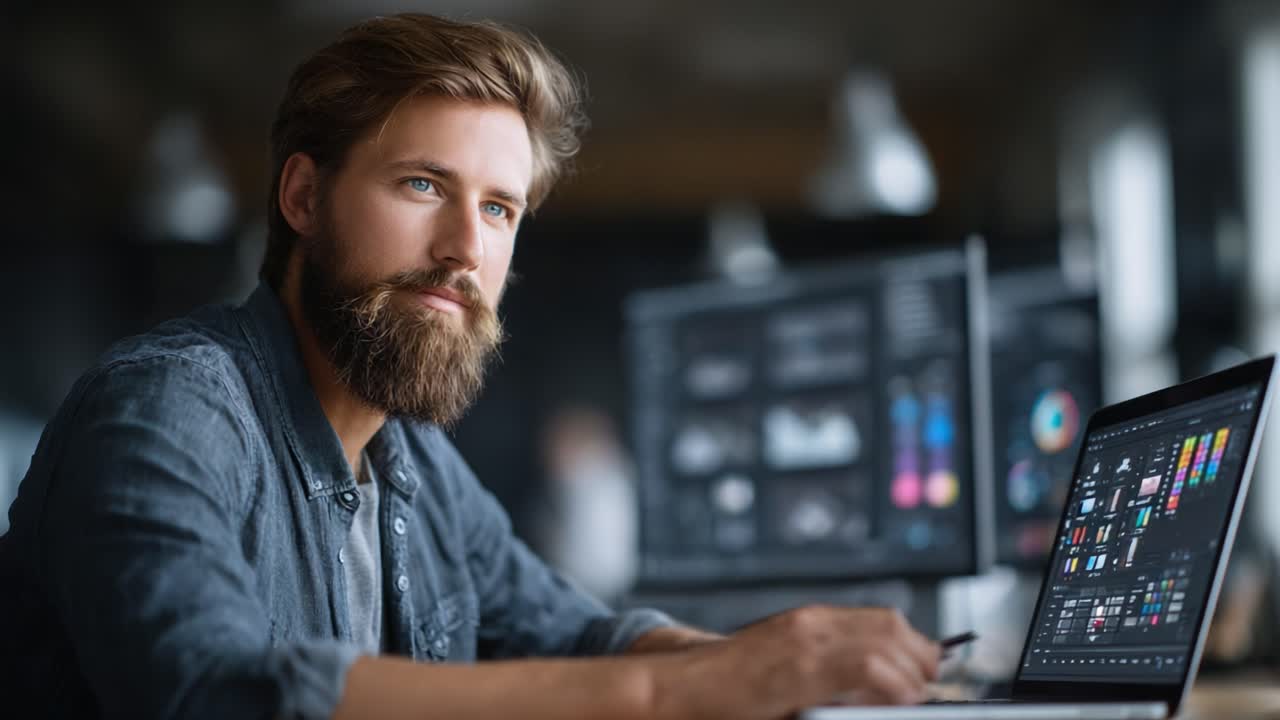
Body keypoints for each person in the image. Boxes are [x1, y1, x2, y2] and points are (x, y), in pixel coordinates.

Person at [0, 13, 941, 719]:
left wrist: (802, 669)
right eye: (423, 185)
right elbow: (210, 689)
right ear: (301, 194)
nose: (465, 248)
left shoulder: (413, 461)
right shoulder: (168, 408)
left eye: (500, 209)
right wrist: (679, 688)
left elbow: (576, 634)